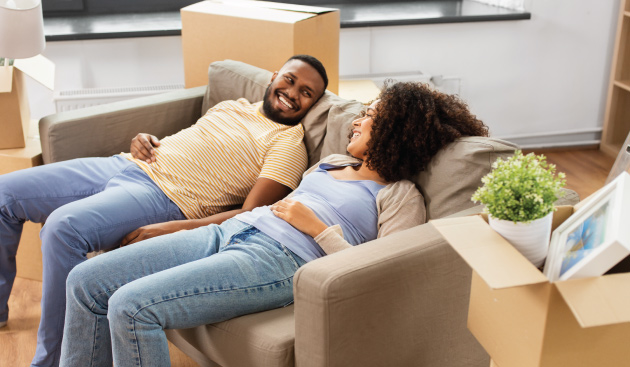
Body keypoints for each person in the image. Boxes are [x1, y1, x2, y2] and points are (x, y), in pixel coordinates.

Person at [59, 82, 489, 366]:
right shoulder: (334, 162)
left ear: (396, 130)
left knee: (132, 307)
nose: (356, 121)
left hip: (277, 261)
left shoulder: (399, 194)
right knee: (85, 280)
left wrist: (317, 228)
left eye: (370, 116)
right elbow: (256, 208)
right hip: (228, 233)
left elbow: (383, 273)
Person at [0, 54, 328, 367]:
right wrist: (144, 141)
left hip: (161, 195)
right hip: (126, 164)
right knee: (5, 193)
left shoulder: (288, 143)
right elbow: (189, 146)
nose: (292, 93)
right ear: (275, 77)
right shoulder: (233, 107)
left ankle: (52, 359)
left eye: (306, 93)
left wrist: (176, 227)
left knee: (62, 229)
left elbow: (250, 213)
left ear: (312, 104)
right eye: (289, 80)